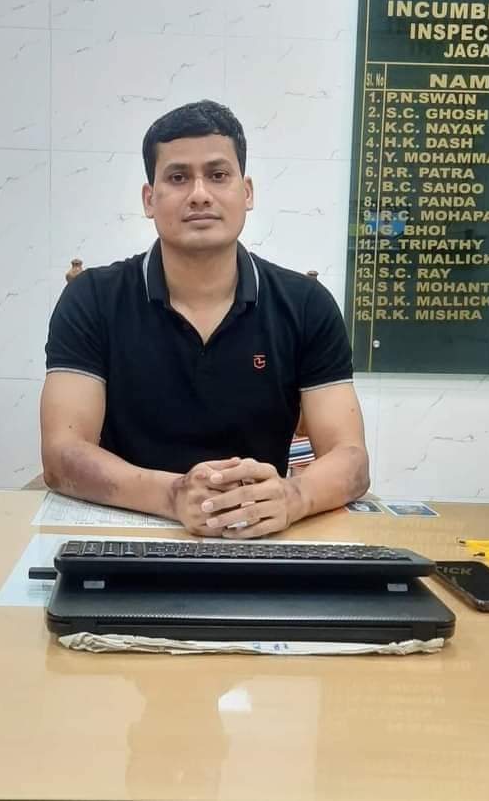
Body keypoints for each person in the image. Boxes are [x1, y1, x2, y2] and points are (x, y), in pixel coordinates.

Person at [41, 100, 369, 538]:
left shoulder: (306, 304)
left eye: (218, 175)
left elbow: (351, 457)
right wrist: (173, 496)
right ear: (149, 199)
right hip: (132, 528)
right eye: (178, 177)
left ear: (246, 192)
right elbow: (62, 453)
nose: (199, 194)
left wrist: (294, 497)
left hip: (261, 534)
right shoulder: (93, 299)